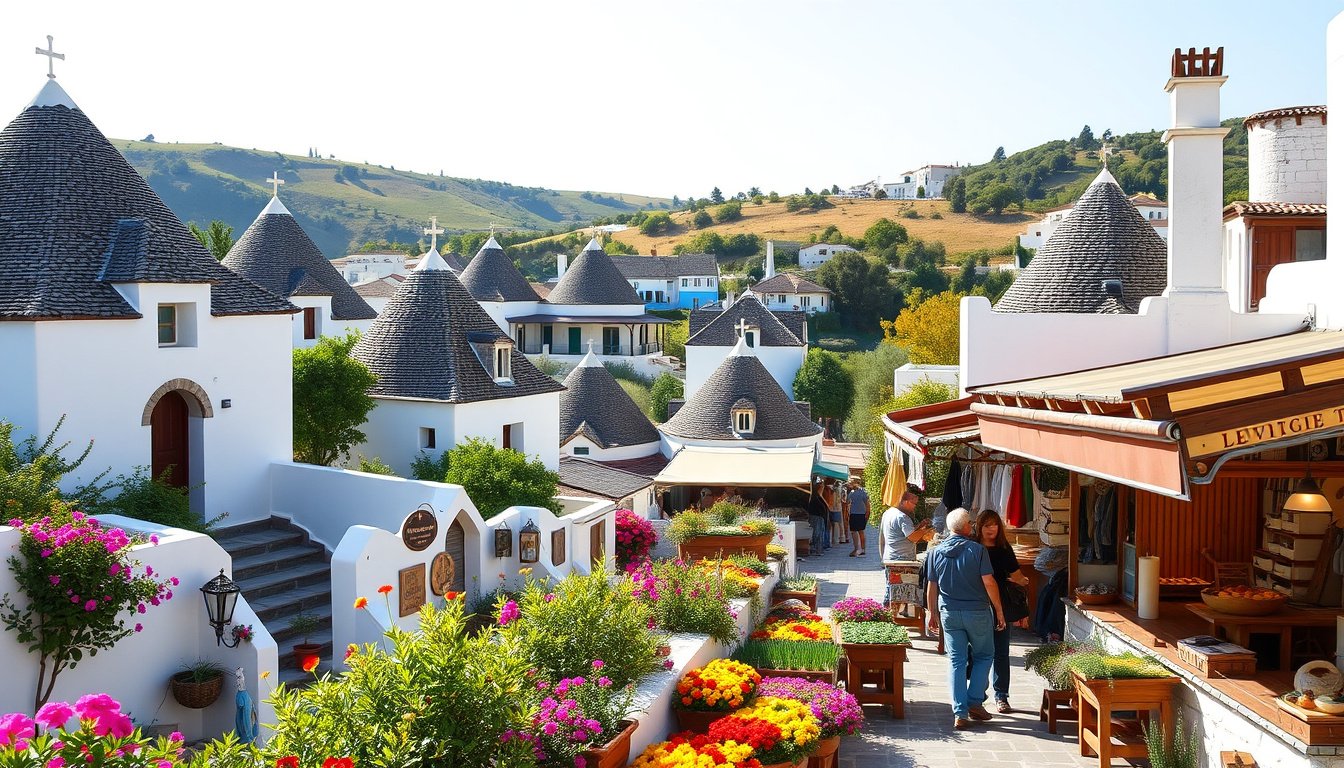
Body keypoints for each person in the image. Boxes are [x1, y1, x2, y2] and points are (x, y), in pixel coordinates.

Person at [926, 507, 1006, 730]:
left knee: (956, 661)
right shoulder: (977, 550)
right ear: (966, 527)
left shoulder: (935, 551)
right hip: (978, 612)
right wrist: (999, 610)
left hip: (949, 612)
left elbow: (932, 586)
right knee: (984, 656)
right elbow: (989, 582)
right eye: (970, 523)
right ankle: (974, 702)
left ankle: (960, 712)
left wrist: (931, 613)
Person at [973, 508, 1030, 713]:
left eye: (994, 525)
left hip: (1001, 607)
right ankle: (977, 695)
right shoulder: (973, 547)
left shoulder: (1004, 549)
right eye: (987, 525)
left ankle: (1001, 695)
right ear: (979, 527)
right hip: (977, 605)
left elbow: (1017, 575)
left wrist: (1022, 581)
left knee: (1001, 652)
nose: (991, 529)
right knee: (977, 652)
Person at [846, 479, 870, 557]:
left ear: (854, 484)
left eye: (850, 484)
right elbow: (848, 503)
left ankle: (859, 549)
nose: (849, 485)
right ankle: (860, 549)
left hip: (857, 514)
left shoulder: (860, 492)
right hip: (857, 514)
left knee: (857, 531)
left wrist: (867, 513)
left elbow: (867, 504)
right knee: (858, 531)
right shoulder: (857, 492)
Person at [808, 479, 830, 555]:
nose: (822, 488)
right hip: (817, 517)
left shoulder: (818, 497)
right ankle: (817, 550)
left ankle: (818, 549)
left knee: (819, 533)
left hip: (820, 517)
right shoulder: (815, 498)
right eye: (821, 487)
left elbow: (827, 506)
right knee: (817, 533)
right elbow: (826, 506)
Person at [828, 479, 845, 546]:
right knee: (837, 524)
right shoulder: (839, 489)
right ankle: (837, 539)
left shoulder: (833, 488)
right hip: (837, 508)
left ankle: (834, 540)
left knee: (834, 525)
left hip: (833, 508)